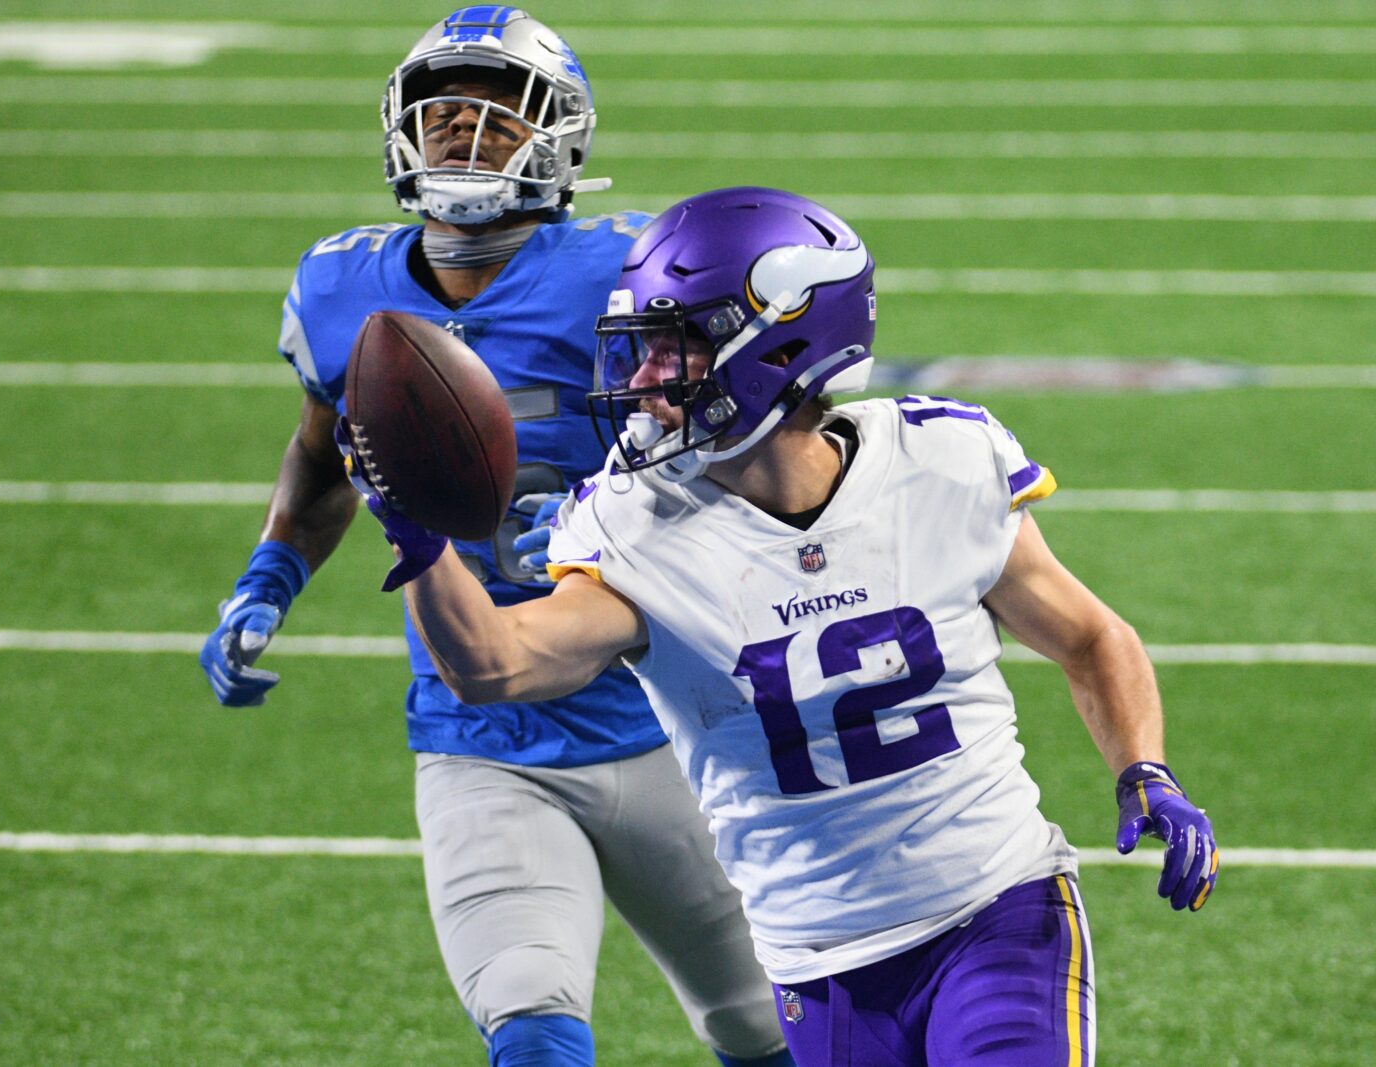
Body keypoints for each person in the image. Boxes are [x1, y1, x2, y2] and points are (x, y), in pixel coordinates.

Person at [348, 187, 1221, 1067]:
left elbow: (1090, 636)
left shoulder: (941, 462)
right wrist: (420, 545)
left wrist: (1145, 769)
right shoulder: (636, 523)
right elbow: (496, 666)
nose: (645, 380)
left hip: (995, 908)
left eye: (673, 347)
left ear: (781, 346)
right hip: (818, 960)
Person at [199, 12, 792, 1067]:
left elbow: (748, 446)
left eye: (494, 117)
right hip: (480, 735)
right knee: (530, 1019)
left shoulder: (632, 273)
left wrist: (641, 519)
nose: (464, 135)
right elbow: (321, 451)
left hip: (675, 718)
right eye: (444, 116)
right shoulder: (340, 288)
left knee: (768, 1024)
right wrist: (270, 572)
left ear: (556, 137)